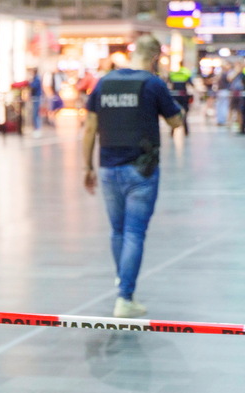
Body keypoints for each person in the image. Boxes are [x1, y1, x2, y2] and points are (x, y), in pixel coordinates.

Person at [82, 34, 183, 318]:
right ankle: (125, 296)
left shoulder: (104, 82)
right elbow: (175, 121)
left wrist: (86, 167)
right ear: (155, 58)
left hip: (108, 168)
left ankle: (124, 284)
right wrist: (180, 113)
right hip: (141, 170)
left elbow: (89, 129)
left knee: (118, 230)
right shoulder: (153, 84)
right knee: (135, 232)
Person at [167, 61, 194, 135]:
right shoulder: (186, 72)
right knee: (185, 112)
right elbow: (191, 84)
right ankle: (186, 131)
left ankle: (172, 130)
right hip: (183, 95)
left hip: (174, 95)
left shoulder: (173, 73)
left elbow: (168, 83)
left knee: (173, 112)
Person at [29, 68, 42, 136]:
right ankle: (36, 128)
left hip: (36, 98)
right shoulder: (35, 78)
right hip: (35, 97)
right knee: (35, 114)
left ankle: (37, 129)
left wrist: (29, 83)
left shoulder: (37, 79)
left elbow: (33, 86)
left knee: (35, 114)